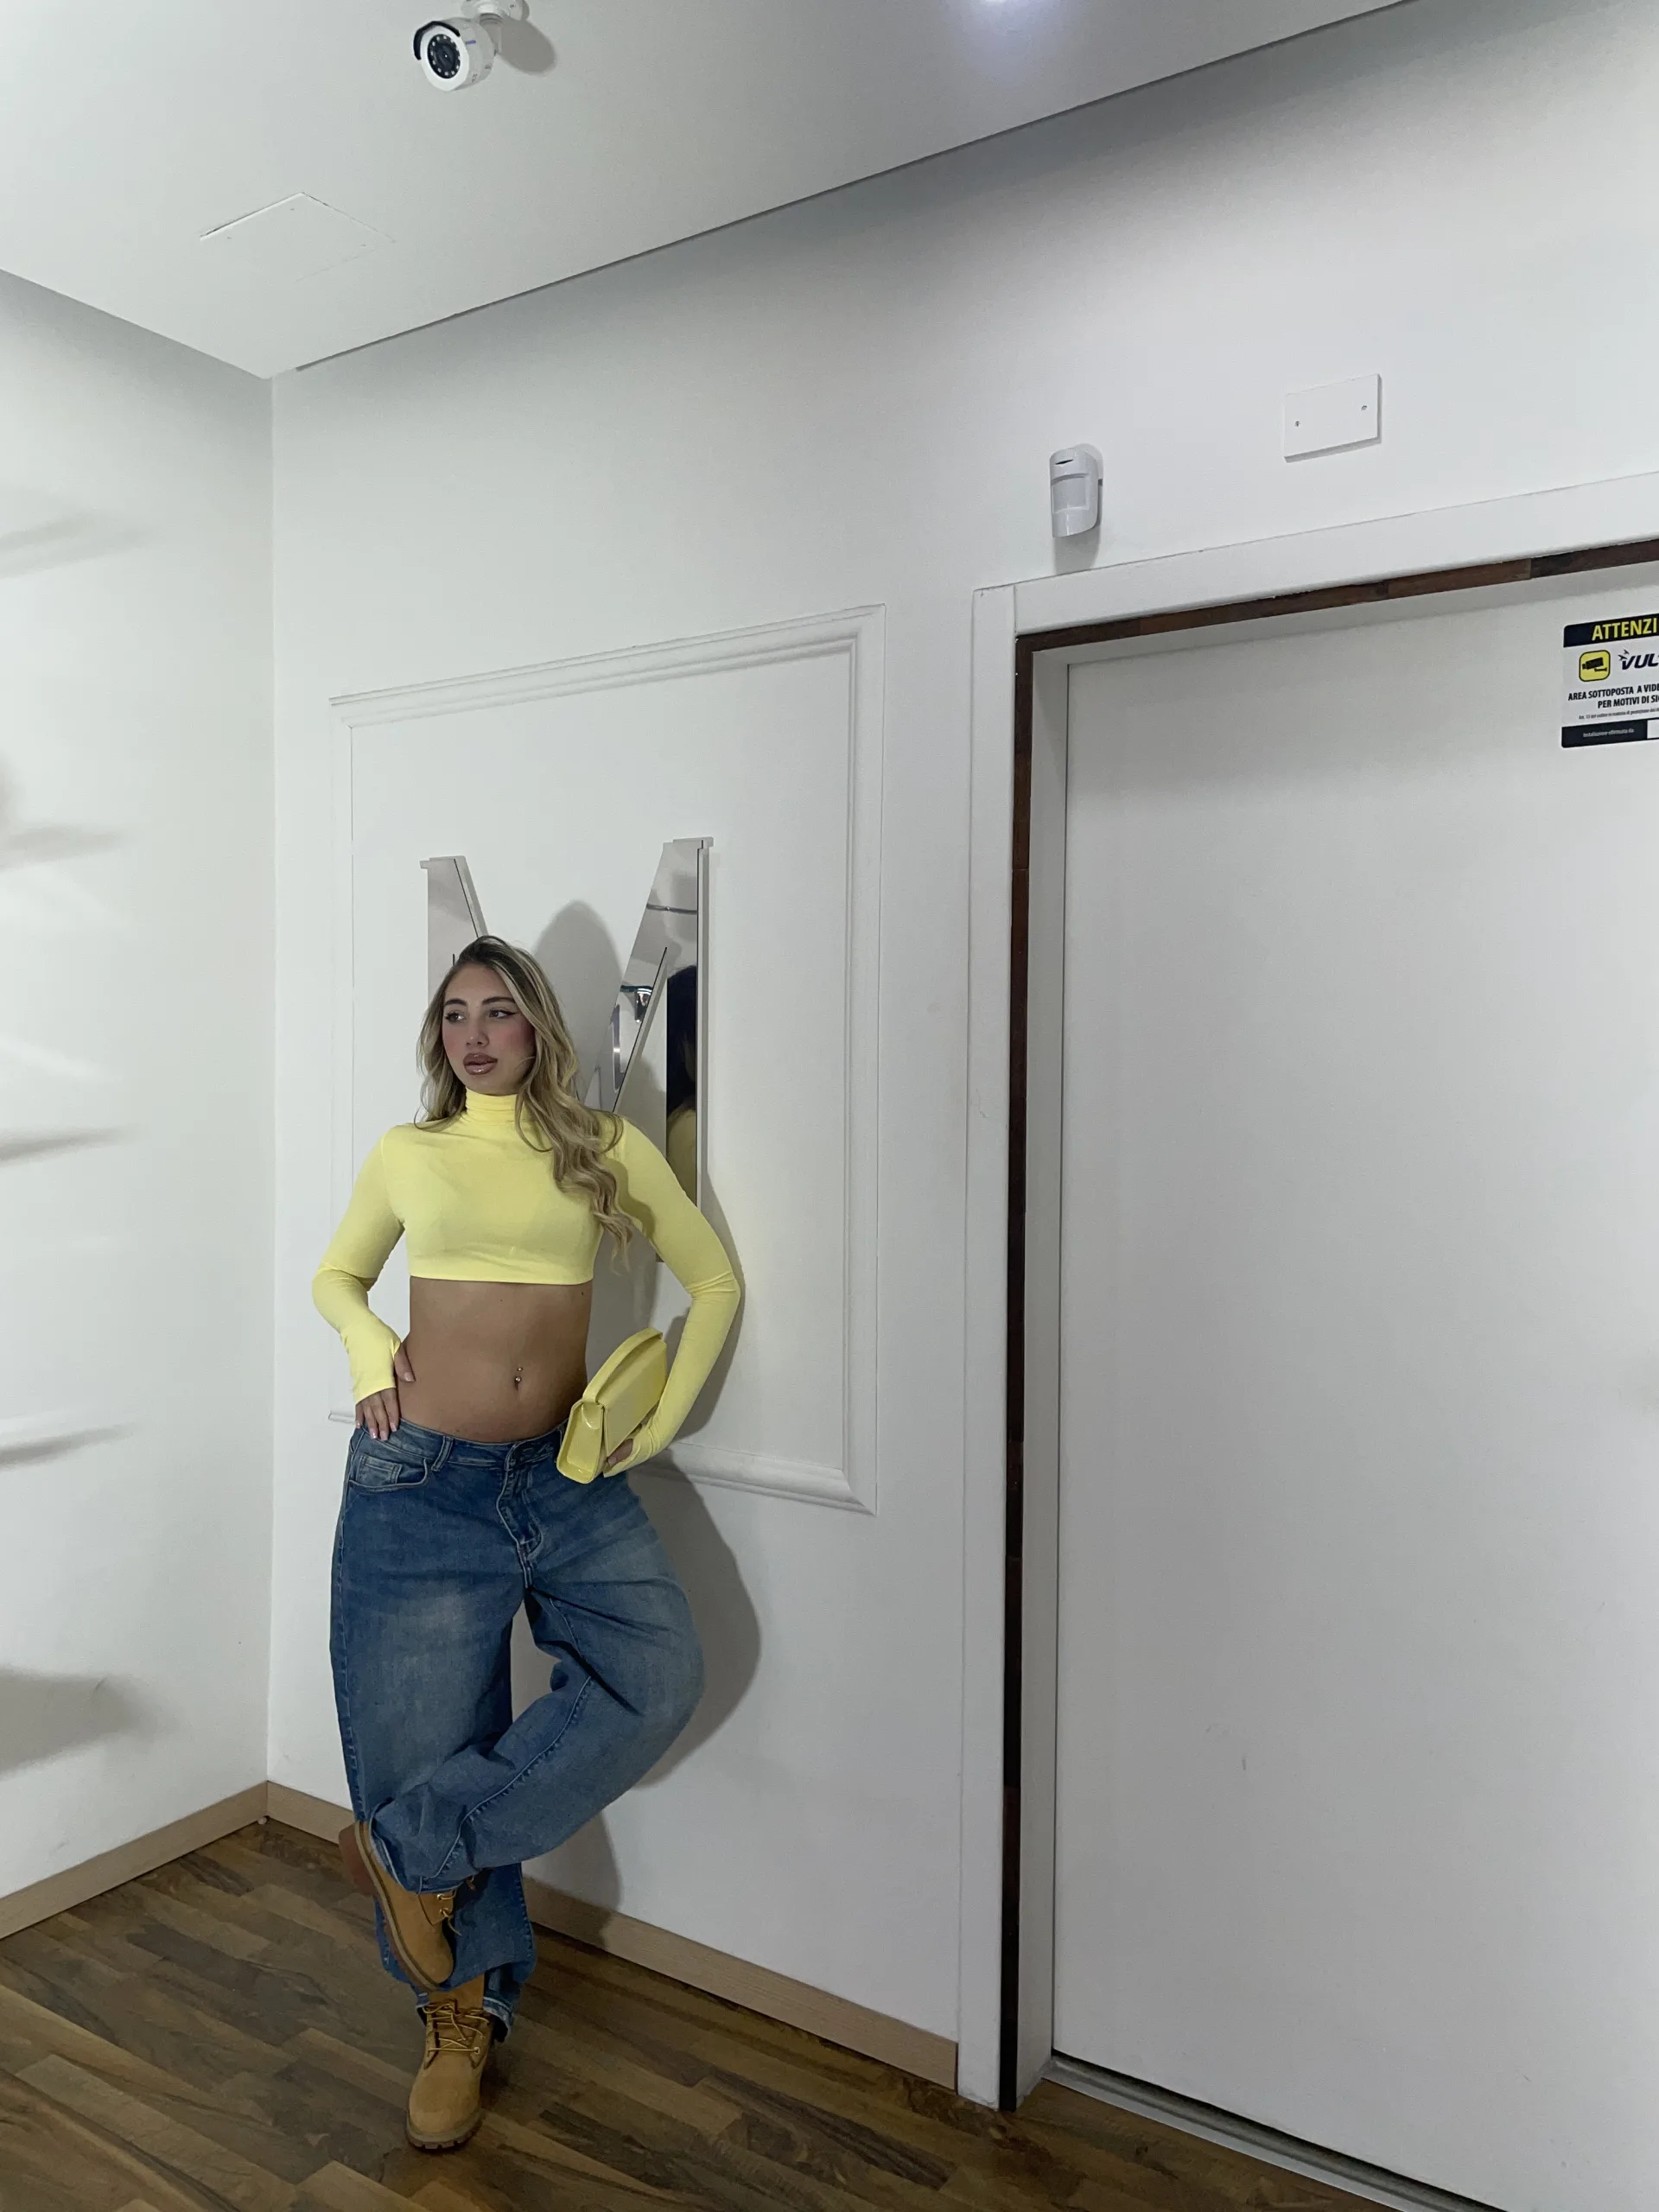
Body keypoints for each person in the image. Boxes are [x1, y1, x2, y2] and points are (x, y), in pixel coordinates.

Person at [312, 934, 739, 2153]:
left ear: (538, 1026)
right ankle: (462, 2017)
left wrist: (658, 1425)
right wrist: (366, 1355)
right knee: (420, 1745)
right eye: (454, 1016)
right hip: (418, 1485)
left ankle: (413, 1852)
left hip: (567, 1478)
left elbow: (713, 1282)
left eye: (497, 1012)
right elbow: (339, 1276)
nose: (475, 1036)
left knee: (658, 1674)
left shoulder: (600, 1148)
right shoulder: (410, 1152)